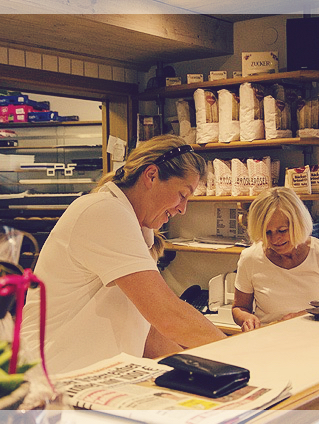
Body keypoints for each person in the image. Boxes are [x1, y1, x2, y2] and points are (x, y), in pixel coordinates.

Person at [21, 135, 226, 375]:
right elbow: (167, 314)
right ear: (151, 175)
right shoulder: (103, 211)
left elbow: (148, 332)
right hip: (53, 378)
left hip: (96, 381)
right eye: (182, 194)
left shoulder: (137, 228)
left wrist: (204, 369)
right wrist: (241, 352)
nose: (183, 208)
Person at [232, 187, 319, 332]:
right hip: (268, 340)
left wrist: (303, 316)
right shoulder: (250, 258)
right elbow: (239, 307)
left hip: (317, 337)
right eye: (267, 233)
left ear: (298, 224)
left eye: (282, 231)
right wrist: (246, 319)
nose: (275, 239)